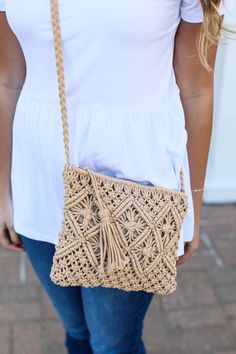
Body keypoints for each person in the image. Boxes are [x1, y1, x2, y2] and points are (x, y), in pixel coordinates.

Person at [0, 1, 235, 353]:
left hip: (133, 189)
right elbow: (8, 80)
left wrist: (192, 206)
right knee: (76, 331)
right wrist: (3, 188)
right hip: (38, 182)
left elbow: (196, 90)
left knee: (113, 343)